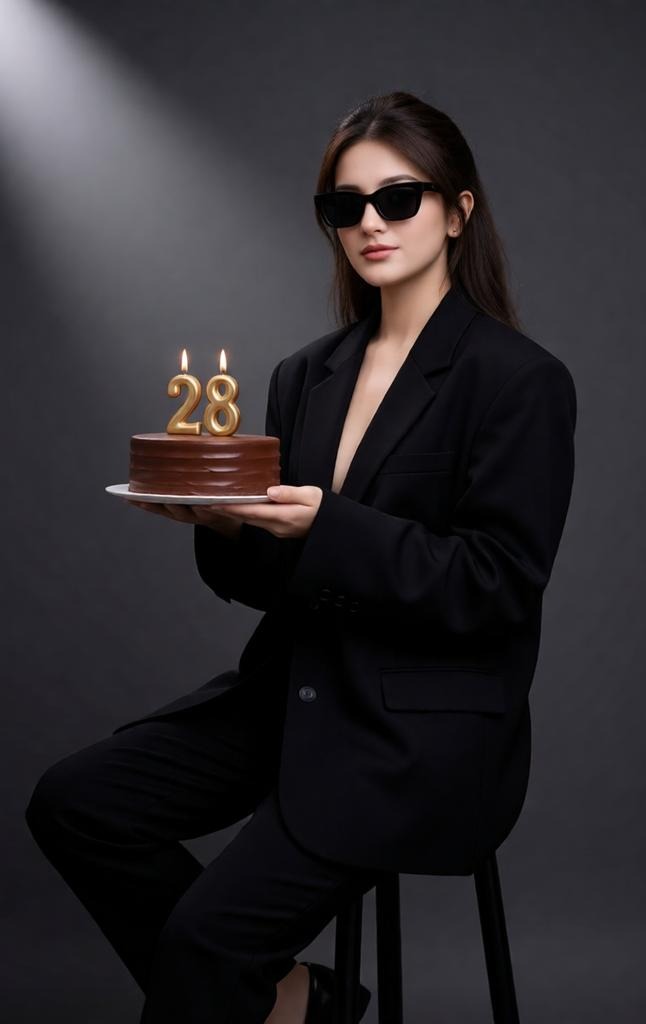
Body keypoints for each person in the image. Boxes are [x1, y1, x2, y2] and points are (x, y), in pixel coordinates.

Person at [25, 90, 577, 1023]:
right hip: (292, 694)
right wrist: (225, 526)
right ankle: (289, 996)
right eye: (344, 206)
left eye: (398, 198)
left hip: (416, 739)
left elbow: (496, 584)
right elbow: (276, 582)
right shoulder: (305, 375)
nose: (369, 223)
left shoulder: (519, 381)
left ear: (459, 209)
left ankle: (262, 994)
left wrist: (327, 526)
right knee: (73, 804)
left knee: (204, 944)